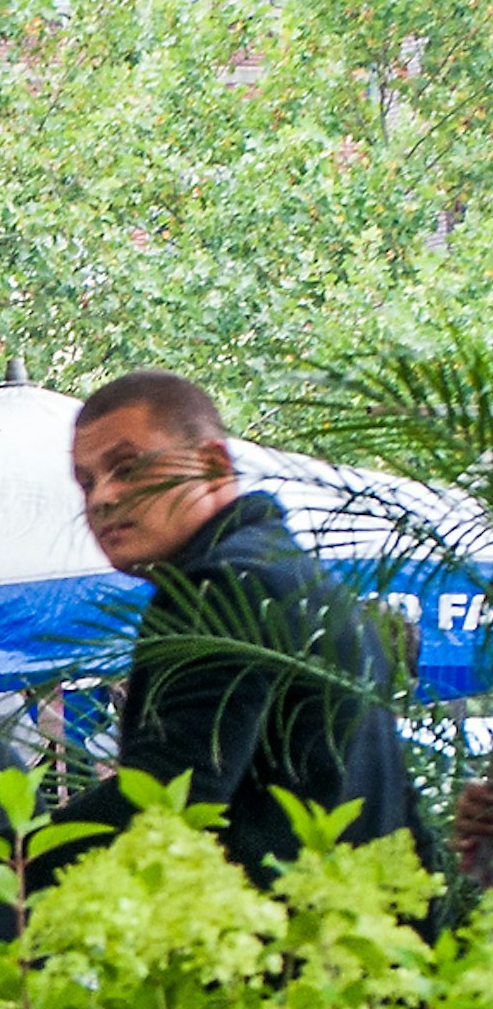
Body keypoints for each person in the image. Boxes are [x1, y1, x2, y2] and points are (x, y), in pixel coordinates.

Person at [65, 371, 426, 881]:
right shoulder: (294, 575)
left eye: (126, 467)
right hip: (363, 937)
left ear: (212, 465)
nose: (102, 497)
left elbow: (169, 798)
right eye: (86, 482)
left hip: (286, 944)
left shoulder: (222, 587)